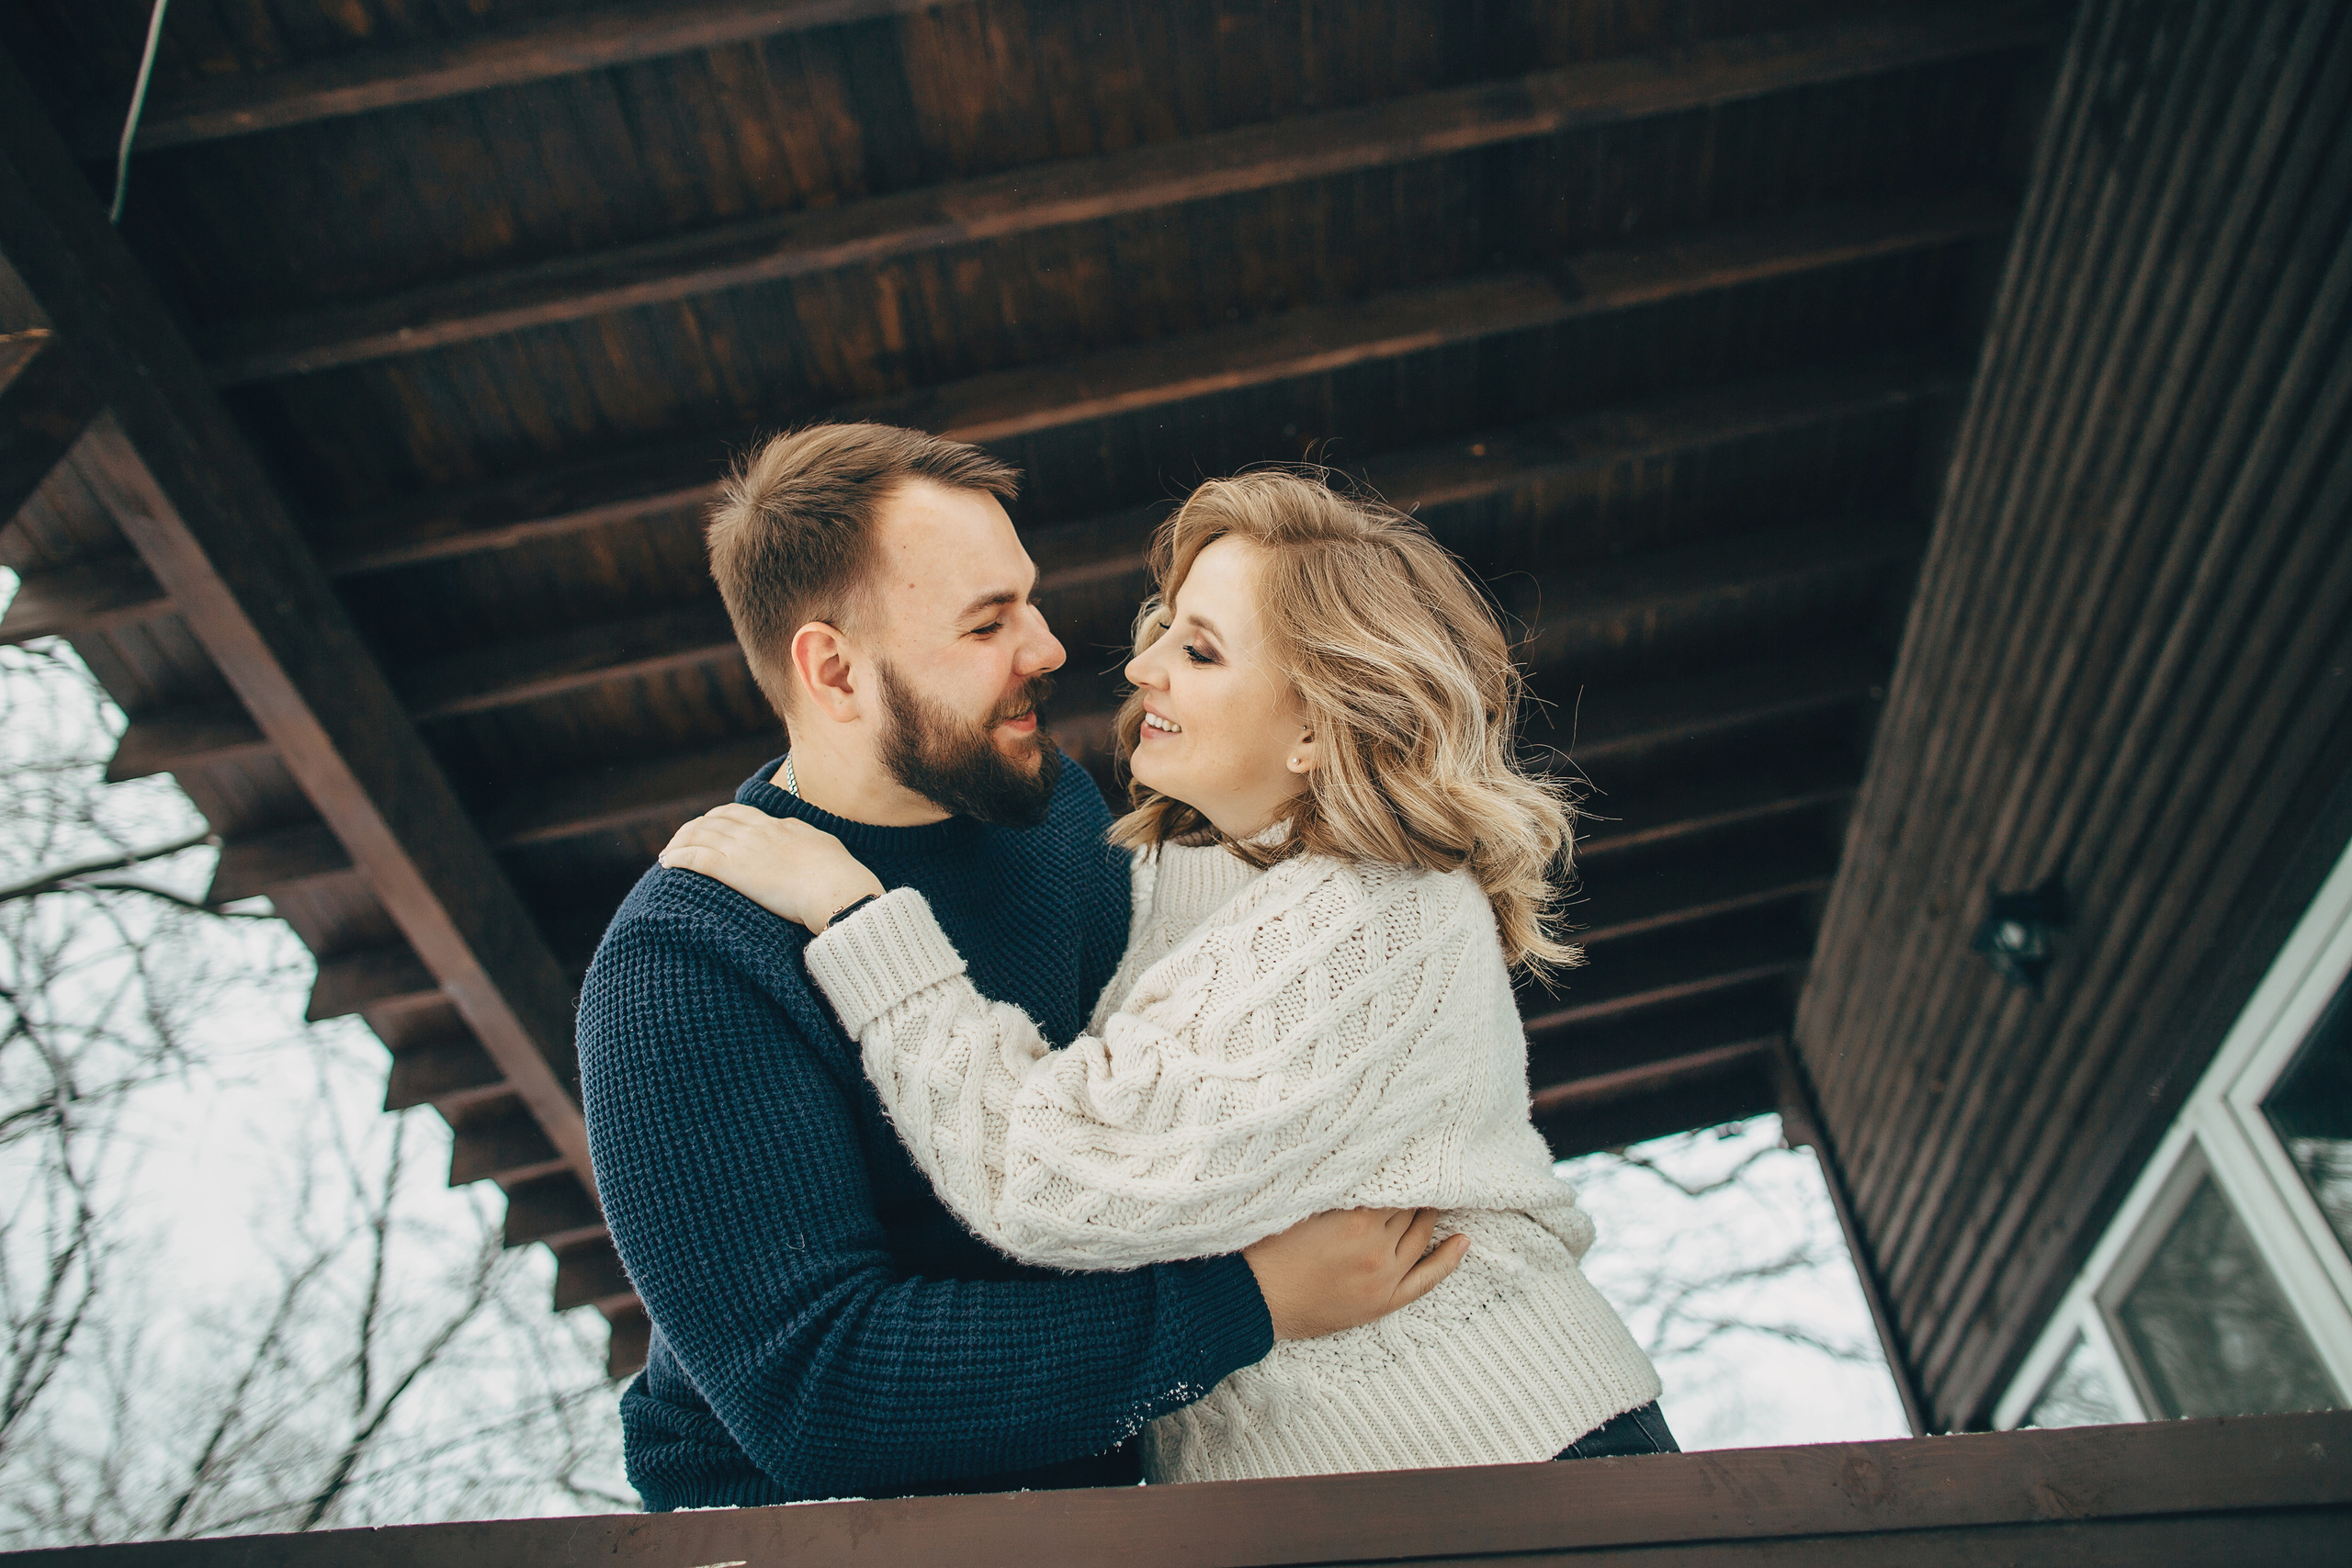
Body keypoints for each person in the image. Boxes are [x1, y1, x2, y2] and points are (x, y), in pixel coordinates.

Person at [662, 468, 1674, 1483]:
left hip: (1501, 1465)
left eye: (1198, 649)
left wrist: (860, 920)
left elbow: (1046, 1170)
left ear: (1321, 724)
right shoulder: (1178, 870)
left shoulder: (1370, 916)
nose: (1137, 666)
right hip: (1341, 1505)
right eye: (1165, 629)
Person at [576, 426, 1464, 1511]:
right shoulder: (687, 963)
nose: (1046, 647)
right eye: (988, 623)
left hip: (1106, 1499)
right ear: (834, 670)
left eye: (1026, 602)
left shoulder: (1055, 816)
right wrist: (1250, 1301)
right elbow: (822, 1392)